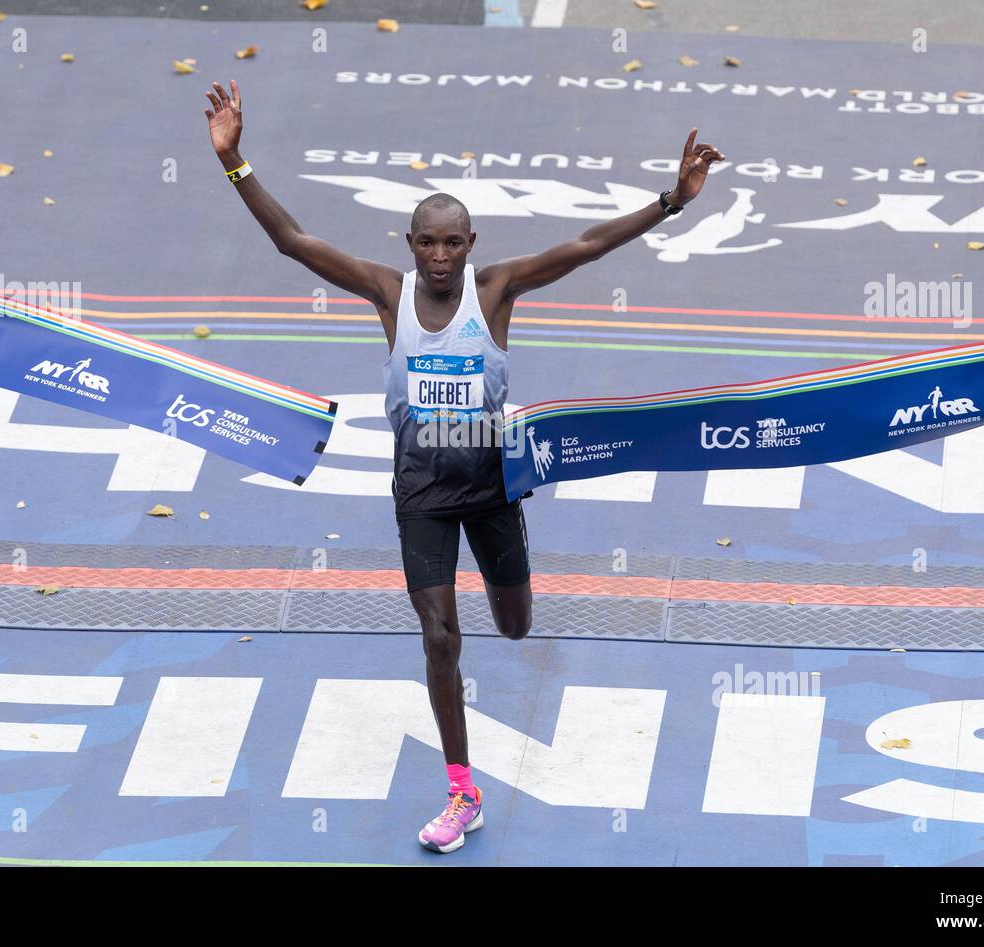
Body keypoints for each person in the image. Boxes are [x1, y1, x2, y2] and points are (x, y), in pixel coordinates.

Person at [203, 79, 724, 853]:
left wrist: (671, 202)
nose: (440, 256)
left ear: (471, 245)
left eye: (453, 242)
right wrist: (235, 161)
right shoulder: (388, 293)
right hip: (419, 494)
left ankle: (508, 601)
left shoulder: (496, 289)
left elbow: (585, 247)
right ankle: (462, 790)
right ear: (409, 245)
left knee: (515, 629)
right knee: (439, 636)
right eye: (427, 243)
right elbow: (293, 241)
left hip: (490, 489)